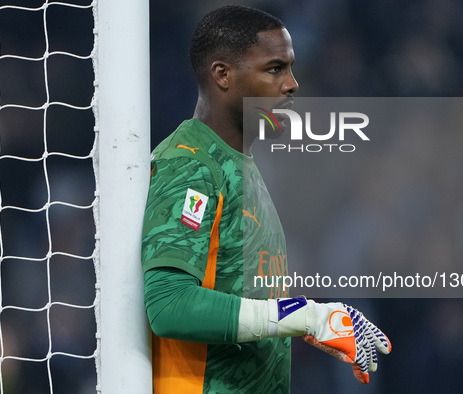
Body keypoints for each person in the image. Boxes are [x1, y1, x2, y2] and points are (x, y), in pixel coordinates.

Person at [141, 5, 391, 393]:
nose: (292, 84)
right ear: (223, 75)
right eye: (275, 69)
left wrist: (316, 322)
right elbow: (169, 305)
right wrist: (301, 315)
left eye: (290, 68)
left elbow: (250, 304)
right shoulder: (191, 164)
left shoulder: (244, 167)